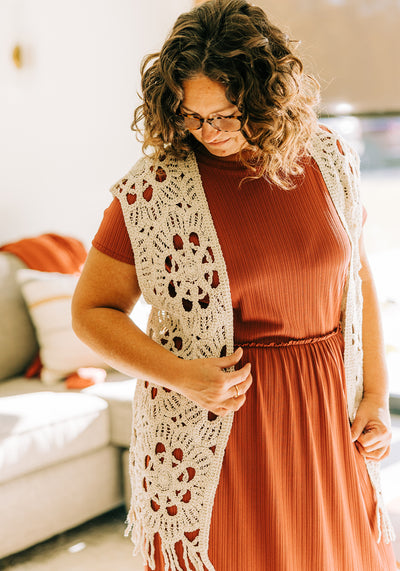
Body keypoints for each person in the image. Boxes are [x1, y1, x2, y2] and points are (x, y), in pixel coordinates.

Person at [71, 1, 397, 569]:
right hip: (221, 433)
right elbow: (91, 311)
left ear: (268, 95)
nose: (208, 133)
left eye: (225, 114)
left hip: (328, 422)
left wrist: (374, 396)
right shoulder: (151, 194)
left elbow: (357, 278)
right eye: (191, 116)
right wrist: (181, 377)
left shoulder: (330, 157)